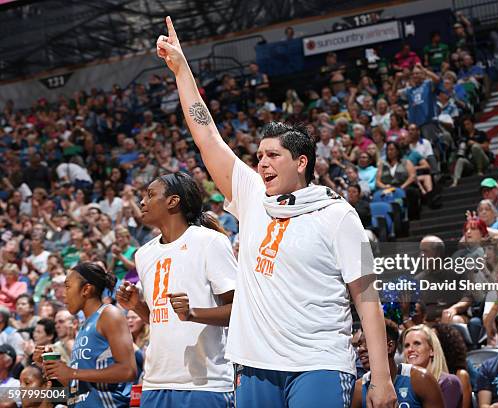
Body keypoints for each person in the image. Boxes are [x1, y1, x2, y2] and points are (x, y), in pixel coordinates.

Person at [156, 16, 395, 407]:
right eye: (259, 156)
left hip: (319, 361)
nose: (262, 163)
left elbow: (366, 296)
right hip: (254, 364)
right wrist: (182, 70)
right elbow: (207, 137)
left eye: (272, 155)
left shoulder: (338, 214)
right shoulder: (252, 197)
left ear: (301, 162)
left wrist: (381, 378)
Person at [116, 172, 237, 407]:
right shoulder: (143, 254)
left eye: (150, 195)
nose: (142, 202)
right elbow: (162, 319)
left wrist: (193, 314)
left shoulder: (209, 242)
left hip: (205, 383)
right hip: (155, 382)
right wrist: (136, 307)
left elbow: (239, 311)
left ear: (173, 201)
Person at [38, 262, 137, 407]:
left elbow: (128, 370)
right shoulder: (84, 326)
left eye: (67, 286)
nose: (63, 293)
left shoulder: (109, 314)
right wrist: (55, 368)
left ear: (86, 289)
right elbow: (79, 387)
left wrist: (72, 372)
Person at [352, 320, 444, 408]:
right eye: (359, 345)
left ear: (389, 347)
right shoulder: (358, 389)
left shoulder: (420, 379)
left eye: (368, 343)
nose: (361, 349)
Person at [402, 325, 463, 408]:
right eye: (407, 345)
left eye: (417, 343)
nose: (410, 349)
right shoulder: (400, 384)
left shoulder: (449, 382)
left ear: (432, 350)